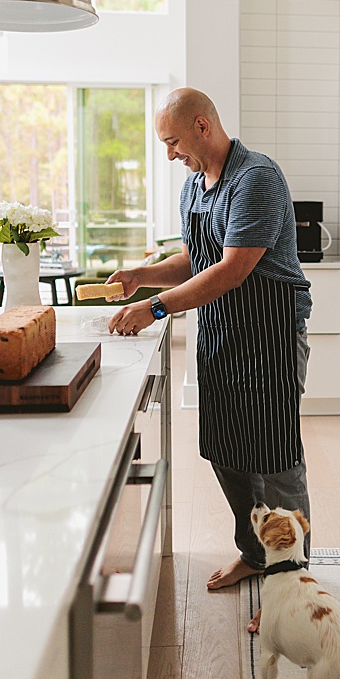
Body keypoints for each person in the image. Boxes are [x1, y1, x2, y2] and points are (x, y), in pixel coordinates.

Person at [107, 88, 312, 632]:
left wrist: (152, 308)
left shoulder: (256, 177)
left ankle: (290, 581)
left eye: (173, 141)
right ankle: (255, 553)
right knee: (228, 452)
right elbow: (196, 261)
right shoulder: (195, 185)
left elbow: (232, 270)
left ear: (202, 125)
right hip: (223, 335)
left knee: (276, 459)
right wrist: (140, 275)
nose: (170, 154)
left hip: (271, 338)